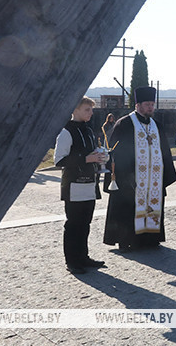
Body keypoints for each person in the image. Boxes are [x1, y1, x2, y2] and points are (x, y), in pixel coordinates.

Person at [103, 86, 176, 252]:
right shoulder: (125, 124)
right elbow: (116, 153)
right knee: (128, 207)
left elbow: (165, 152)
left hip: (153, 179)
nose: (151, 107)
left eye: (152, 104)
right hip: (130, 178)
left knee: (153, 204)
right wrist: (125, 176)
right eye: (147, 104)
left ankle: (150, 238)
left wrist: (165, 174)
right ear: (137, 105)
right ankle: (126, 240)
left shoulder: (156, 125)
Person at [55, 96, 108, 274]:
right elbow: (59, 160)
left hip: (90, 184)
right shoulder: (66, 132)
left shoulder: (88, 130)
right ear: (75, 110)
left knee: (86, 223)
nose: (91, 113)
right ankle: (72, 261)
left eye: (91, 110)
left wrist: (100, 155)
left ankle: (83, 257)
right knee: (74, 224)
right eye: (87, 110)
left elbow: (91, 152)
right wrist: (86, 159)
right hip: (74, 185)